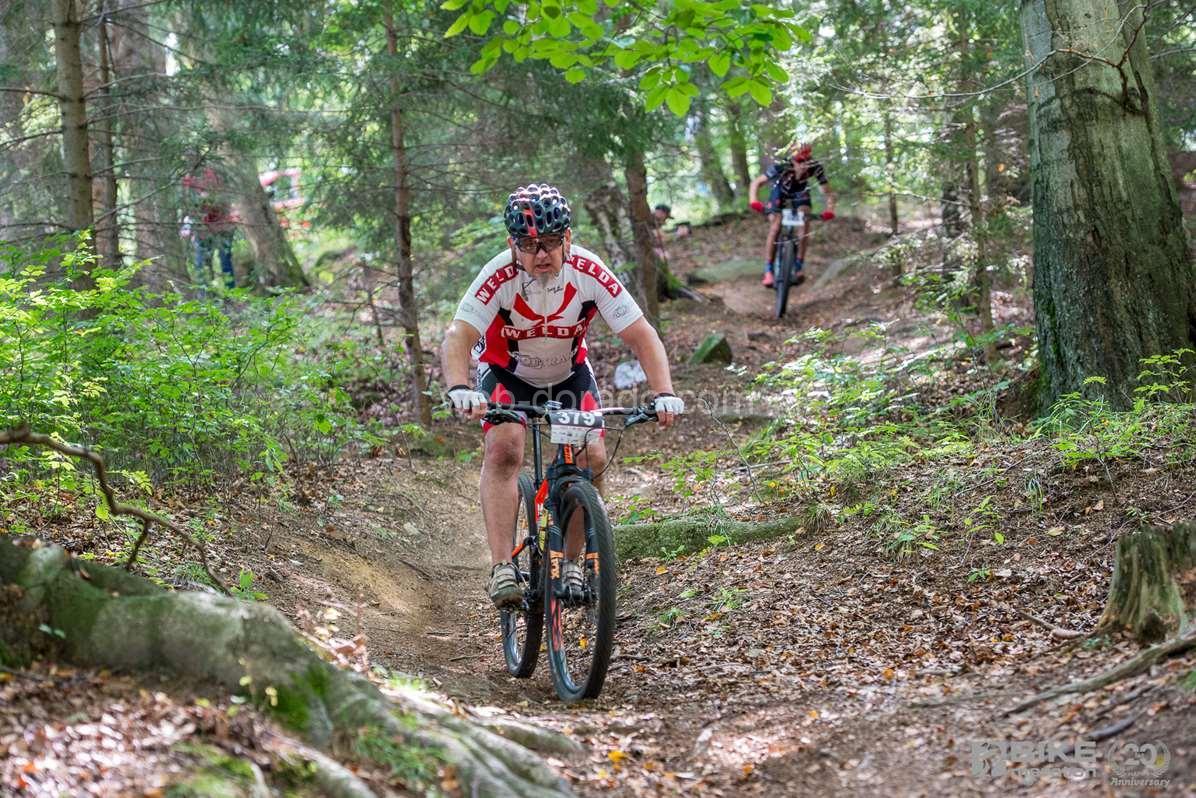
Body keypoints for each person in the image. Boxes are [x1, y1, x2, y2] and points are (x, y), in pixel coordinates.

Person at [440, 183, 684, 608]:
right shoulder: (497, 276)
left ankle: (572, 560)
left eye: (551, 241)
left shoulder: (588, 271)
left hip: (568, 376)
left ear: (568, 238)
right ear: (512, 245)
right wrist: (460, 387)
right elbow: (458, 335)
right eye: (528, 244)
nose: (541, 254)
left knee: (591, 456)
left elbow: (641, 334)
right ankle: (502, 566)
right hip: (507, 374)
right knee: (505, 448)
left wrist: (664, 392)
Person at [748, 142, 836, 287]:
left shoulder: (815, 167)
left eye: (807, 161)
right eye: (800, 161)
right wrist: (754, 201)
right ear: (793, 161)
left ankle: (799, 265)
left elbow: (828, 192)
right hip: (780, 192)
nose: (804, 165)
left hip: (800, 193)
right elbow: (756, 183)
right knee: (775, 226)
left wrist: (830, 210)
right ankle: (768, 270)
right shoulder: (782, 166)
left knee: (804, 220)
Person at [181, 166, 237, 288]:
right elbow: (189, 206)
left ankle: (231, 293)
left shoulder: (215, 173)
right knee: (200, 263)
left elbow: (223, 201)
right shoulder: (188, 179)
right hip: (203, 230)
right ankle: (203, 294)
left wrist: (207, 199)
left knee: (225, 261)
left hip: (223, 227)